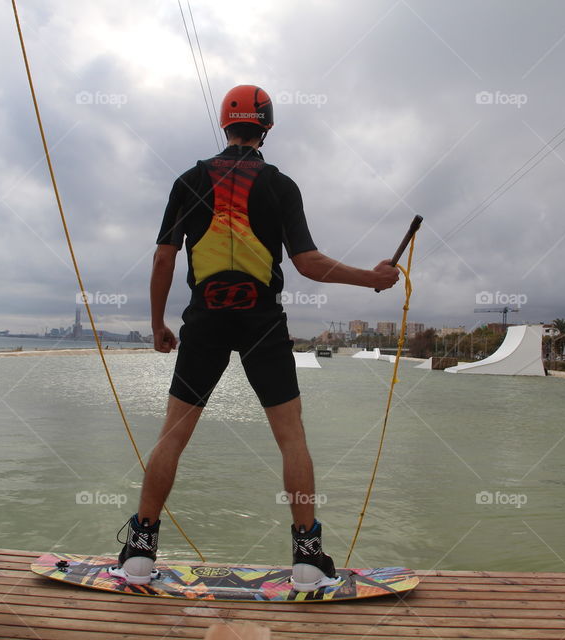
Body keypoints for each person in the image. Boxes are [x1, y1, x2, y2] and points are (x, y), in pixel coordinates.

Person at [112, 84, 399, 592]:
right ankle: (308, 559)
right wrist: (371, 278)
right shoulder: (281, 185)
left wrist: (158, 324)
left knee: (172, 435)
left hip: (204, 320)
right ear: (267, 127)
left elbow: (163, 258)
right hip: (262, 322)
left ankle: (139, 552)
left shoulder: (188, 179)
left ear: (225, 124)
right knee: (292, 437)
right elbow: (308, 264)